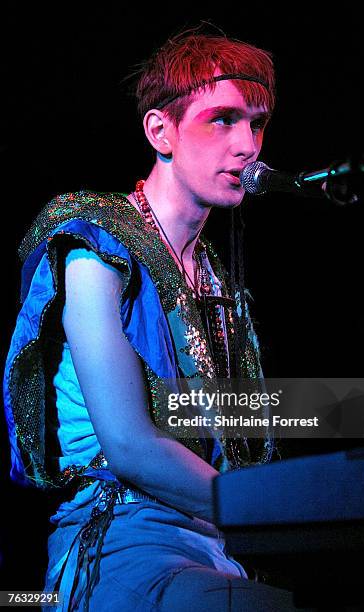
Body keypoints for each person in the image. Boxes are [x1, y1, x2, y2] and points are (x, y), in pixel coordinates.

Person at [3, 28, 306, 611]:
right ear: (159, 131)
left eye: (258, 122)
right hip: (122, 541)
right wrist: (272, 503)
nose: (248, 144)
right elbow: (130, 444)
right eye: (222, 119)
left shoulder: (218, 279)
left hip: (217, 546)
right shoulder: (95, 245)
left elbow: (238, 431)